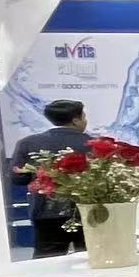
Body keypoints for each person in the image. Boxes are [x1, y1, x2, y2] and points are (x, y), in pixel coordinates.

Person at [10, 100, 94, 256]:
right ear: (76, 120)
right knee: (92, 258)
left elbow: (18, 178)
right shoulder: (93, 144)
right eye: (84, 117)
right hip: (88, 212)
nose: (85, 121)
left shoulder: (28, 143)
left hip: (45, 212)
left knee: (47, 263)